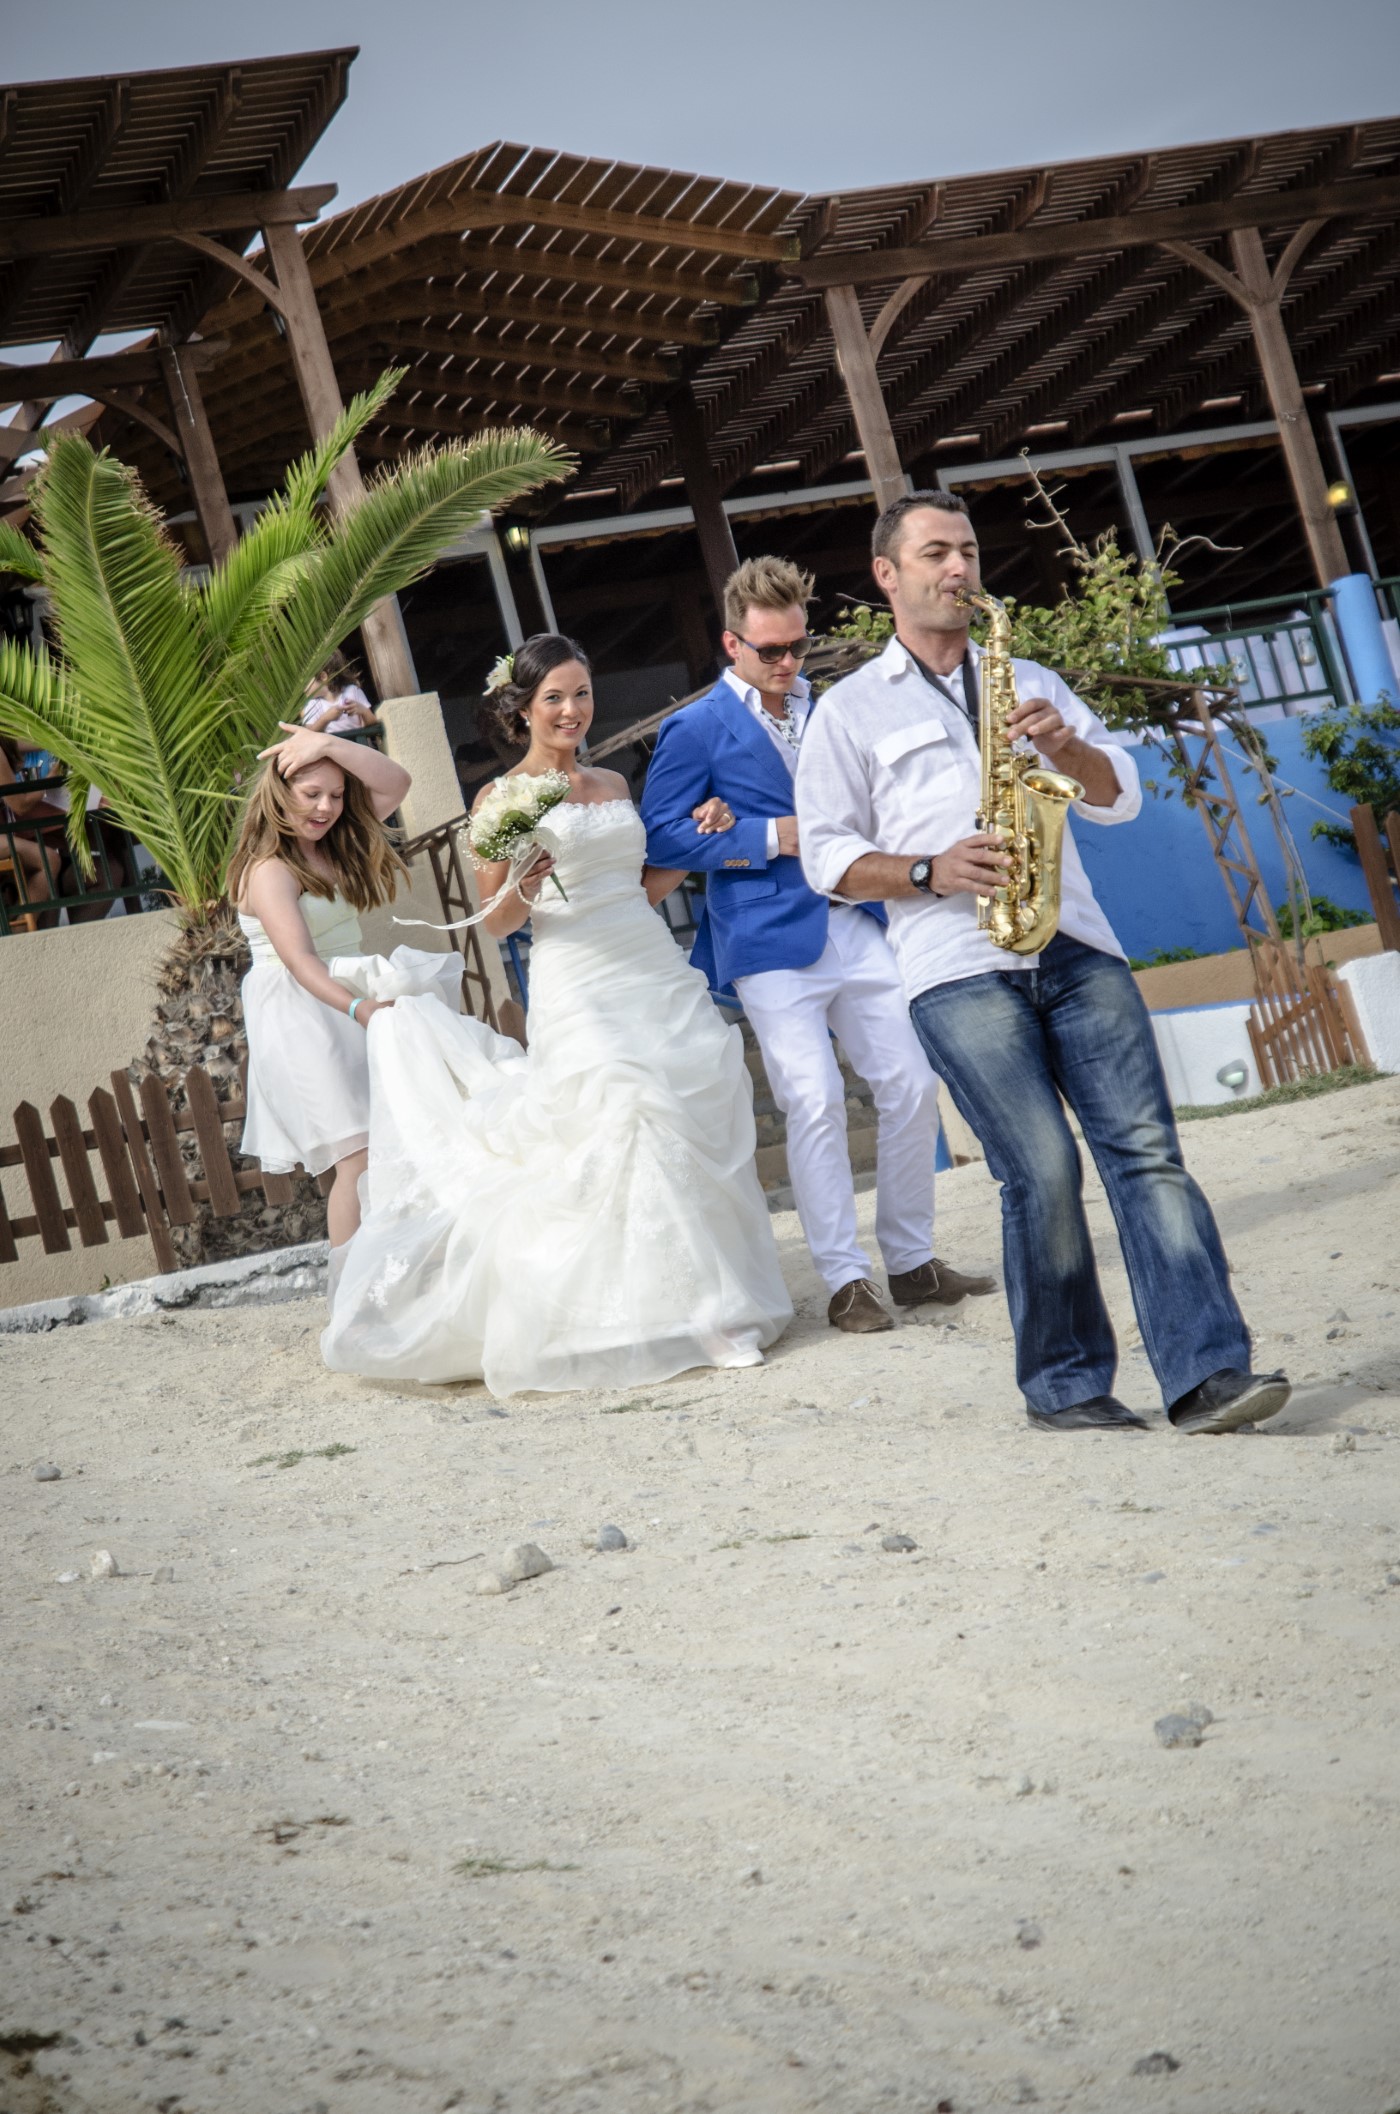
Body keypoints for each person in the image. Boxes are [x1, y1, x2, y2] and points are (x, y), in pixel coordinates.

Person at [795, 491, 1290, 1435]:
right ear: (886, 575)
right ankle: (1064, 1384)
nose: (959, 568)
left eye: (968, 551)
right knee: (1044, 1169)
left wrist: (1067, 745)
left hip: (1076, 942)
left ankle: (1210, 1376)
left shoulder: (1032, 680)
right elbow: (827, 858)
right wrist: (928, 869)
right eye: (935, 553)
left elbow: (1116, 797)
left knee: (1148, 1156)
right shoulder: (848, 711)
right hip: (953, 962)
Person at [321, 632, 793, 1396]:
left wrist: (701, 836)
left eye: (581, 694)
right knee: (625, 1104)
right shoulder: (499, 800)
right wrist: (527, 883)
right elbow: (496, 922)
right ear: (522, 710)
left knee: (681, 1111)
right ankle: (696, 1316)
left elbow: (640, 886)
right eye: (554, 698)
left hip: (649, 965)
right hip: (577, 979)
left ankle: (704, 1297)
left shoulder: (611, 783)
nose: (572, 710)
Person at [641, 554, 994, 1335]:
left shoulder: (832, 708)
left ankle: (911, 1261)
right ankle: (845, 1280)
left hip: (860, 918)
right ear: (731, 644)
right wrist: (771, 835)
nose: (787, 662)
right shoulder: (695, 727)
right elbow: (659, 835)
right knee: (814, 1099)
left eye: (797, 645)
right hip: (765, 934)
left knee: (911, 1082)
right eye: (770, 650)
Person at [226, 722, 414, 1256]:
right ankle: (353, 1287)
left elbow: (397, 782)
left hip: (344, 1000)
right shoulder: (269, 872)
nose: (326, 807)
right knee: (359, 1157)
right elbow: (300, 961)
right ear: (279, 794)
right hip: (302, 1013)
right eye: (311, 794)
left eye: (336, 795)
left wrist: (328, 744)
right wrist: (361, 1008)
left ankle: (369, 1276)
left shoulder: (333, 844)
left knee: (366, 1153)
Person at [302, 652, 379, 735]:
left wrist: (363, 711)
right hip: (333, 743)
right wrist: (325, 719)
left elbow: (373, 722)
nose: (303, 689)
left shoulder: (352, 691)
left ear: (323, 677)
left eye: (306, 682)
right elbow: (308, 733)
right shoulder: (313, 705)